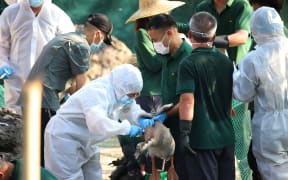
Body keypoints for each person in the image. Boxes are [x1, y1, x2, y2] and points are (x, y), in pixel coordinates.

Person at [19, 12, 113, 167]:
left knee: (34, 149)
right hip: (44, 100)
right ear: (97, 34)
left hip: (30, 96)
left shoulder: (68, 37)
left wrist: (70, 95)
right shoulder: (81, 45)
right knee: (48, 150)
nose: (101, 43)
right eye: (102, 38)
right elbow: (81, 84)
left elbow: (63, 75)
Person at [110, 0, 185, 178]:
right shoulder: (142, 34)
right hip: (151, 95)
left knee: (167, 142)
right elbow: (152, 63)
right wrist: (171, 51)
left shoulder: (168, 32)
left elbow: (191, 26)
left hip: (163, 92)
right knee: (155, 143)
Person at [44, 64, 150, 180]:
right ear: (122, 88)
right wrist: (127, 129)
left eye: (136, 95)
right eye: (131, 95)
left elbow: (130, 109)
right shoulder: (98, 93)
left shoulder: (119, 94)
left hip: (87, 141)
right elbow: (98, 123)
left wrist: (143, 120)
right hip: (64, 138)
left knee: (94, 176)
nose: (132, 98)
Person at [176, 11, 235, 180]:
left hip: (201, 139)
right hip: (225, 136)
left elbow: (187, 101)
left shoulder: (188, 63)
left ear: (189, 35)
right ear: (214, 36)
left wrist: (184, 133)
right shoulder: (226, 62)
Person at [233, 7, 288, 179]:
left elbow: (243, 94)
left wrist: (234, 74)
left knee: (274, 173)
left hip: (270, 127)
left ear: (254, 30)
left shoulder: (254, 59)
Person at [0, 0, 75, 114]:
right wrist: (3, 64)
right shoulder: (10, 13)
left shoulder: (58, 16)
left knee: (43, 124)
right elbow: (2, 45)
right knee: (15, 123)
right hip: (16, 85)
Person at [146, 13, 192, 179]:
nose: (155, 45)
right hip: (172, 124)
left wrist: (163, 114)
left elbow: (188, 101)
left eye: (156, 40)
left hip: (188, 127)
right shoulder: (165, 54)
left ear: (171, 33)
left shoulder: (188, 58)